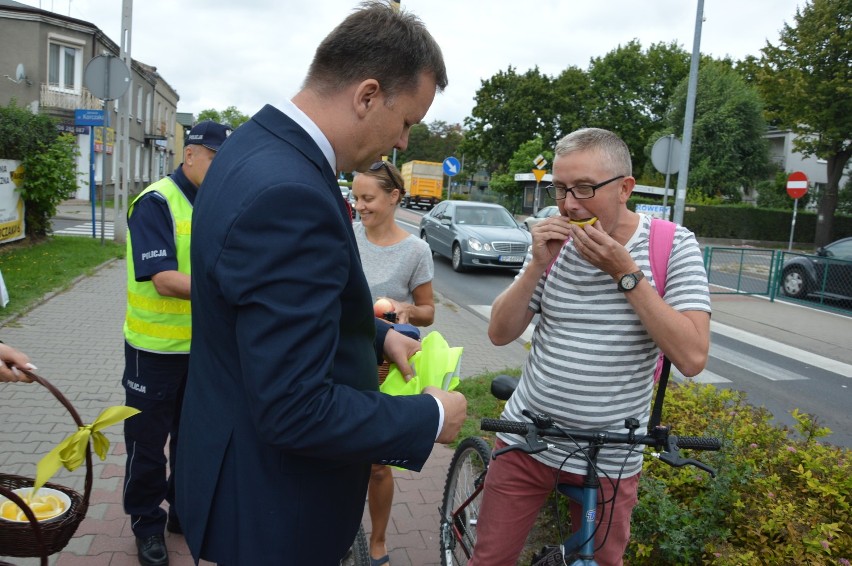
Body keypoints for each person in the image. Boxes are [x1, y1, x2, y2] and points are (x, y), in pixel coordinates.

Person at [174, 3, 467, 565]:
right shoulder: (292, 195)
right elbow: (294, 407)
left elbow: (262, 303)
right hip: (277, 506)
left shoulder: (253, 147)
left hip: (244, 475)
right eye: (407, 121)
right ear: (367, 94)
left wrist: (377, 334)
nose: (404, 143)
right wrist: (427, 417)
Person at [470, 127, 712, 566]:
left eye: (584, 188)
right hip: (528, 437)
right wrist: (536, 265)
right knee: (490, 559)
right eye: (560, 188)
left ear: (624, 189)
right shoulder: (551, 242)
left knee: (599, 562)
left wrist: (625, 272)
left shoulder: (672, 246)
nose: (569, 204)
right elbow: (499, 333)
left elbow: (692, 356)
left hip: (612, 456)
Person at [122, 120, 232, 566]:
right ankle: (146, 524)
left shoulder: (214, 202)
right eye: (216, 160)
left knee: (191, 440)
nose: (224, 170)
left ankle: (181, 510)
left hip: (201, 350)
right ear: (190, 154)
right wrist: (229, 288)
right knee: (147, 445)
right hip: (152, 352)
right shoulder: (155, 202)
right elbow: (165, 280)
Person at [352, 160, 435, 565]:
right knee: (336, 454)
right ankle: (339, 529)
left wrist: (404, 308)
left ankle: (379, 539)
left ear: (394, 197)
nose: (360, 206)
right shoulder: (344, 237)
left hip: (387, 366)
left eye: (368, 198)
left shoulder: (415, 250)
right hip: (344, 358)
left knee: (378, 464)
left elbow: (428, 310)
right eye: (356, 197)